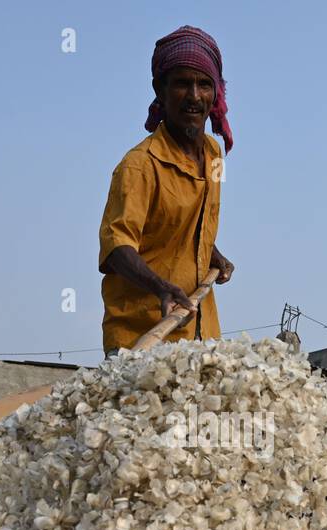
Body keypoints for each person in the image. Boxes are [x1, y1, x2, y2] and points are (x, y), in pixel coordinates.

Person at [98, 25, 235, 359]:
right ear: (160, 88)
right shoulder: (139, 166)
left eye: (204, 84)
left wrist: (210, 252)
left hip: (202, 337)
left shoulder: (214, 155)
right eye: (181, 83)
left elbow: (191, 219)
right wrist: (160, 287)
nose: (194, 96)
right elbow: (117, 248)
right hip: (143, 339)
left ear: (215, 93)